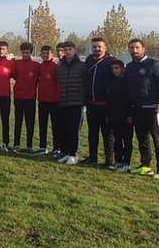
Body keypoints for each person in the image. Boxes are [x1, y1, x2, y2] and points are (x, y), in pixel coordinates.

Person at [126, 38, 159, 178]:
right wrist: (131, 111)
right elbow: (129, 90)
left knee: (158, 139)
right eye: (132, 48)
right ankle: (145, 165)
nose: (134, 50)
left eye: (137, 47)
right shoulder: (130, 67)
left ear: (143, 49)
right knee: (142, 139)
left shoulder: (153, 64)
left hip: (153, 109)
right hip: (137, 110)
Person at [83, 35, 115, 167]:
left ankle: (110, 160)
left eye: (99, 46)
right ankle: (93, 157)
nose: (96, 49)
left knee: (108, 134)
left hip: (106, 105)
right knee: (92, 133)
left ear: (105, 47)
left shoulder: (111, 62)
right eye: (94, 47)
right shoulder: (89, 60)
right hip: (91, 104)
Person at [56, 41, 86, 164]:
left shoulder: (81, 66)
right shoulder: (60, 66)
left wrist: (83, 101)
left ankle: (73, 154)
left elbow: (85, 83)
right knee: (64, 129)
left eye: (70, 49)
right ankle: (65, 152)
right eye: (65, 50)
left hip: (76, 102)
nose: (67, 52)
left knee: (74, 130)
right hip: (63, 102)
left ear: (74, 50)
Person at [11, 42, 40, 151]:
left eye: (27, 53)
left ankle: (29, 145)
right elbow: (14, 75)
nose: (25, 55)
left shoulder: (36, 65)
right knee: (18, 121)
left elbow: (38, 79)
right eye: (23, 53)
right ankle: (16, 144)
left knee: (30, 122)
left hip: (30, 98)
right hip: (18, 97)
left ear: (30, 52)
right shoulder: (16, 64)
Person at [106, 59, 133, 172]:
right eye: (112, 69)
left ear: (122, 69)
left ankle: (126, 163)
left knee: (127, 140)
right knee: (117, 140)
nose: (114, 71)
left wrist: (131, 114)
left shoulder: (128, 82)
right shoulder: (111, 82)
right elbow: (109, 99)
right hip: (114, 115)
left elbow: (131, 99)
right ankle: (118, 161)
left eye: (116, 68)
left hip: (126, 116)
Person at [37, 45, 60, 154]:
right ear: (41, 55)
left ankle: (56, 148)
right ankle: (43, 147)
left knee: (56, 125)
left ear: (52, 55)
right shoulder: (40, 67)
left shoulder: (56, 67)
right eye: (43, 54)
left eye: (48, 53)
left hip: (54, 101)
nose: (45, 55)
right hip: (42, 101)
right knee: (42, 125)